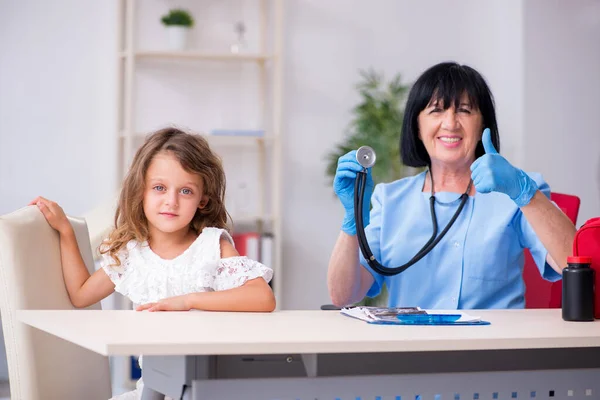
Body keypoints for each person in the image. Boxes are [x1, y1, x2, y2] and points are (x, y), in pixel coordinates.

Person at [30, 127, 275, 399]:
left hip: (209, 387)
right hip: (155, 388)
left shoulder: (212, 245)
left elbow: (262, 297)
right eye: (159, 188)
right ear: (141, 192)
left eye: (185, 191)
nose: (171, 201)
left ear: (202, 199)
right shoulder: (132, 254)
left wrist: (187, 301)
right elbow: (80, 294)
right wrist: (65, 232)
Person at [328, 62, 576, 310]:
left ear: (482, 126)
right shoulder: (390, 199)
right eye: (436, 110)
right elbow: (343, 296)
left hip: (493, 345)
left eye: (465, 111)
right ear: (417, 126)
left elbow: (573, 264)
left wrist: (526, 194)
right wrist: (352, 221)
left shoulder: (513, 194)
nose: (450, 123)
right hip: (411, 345)